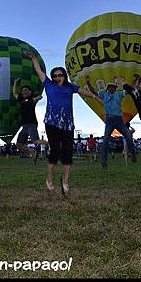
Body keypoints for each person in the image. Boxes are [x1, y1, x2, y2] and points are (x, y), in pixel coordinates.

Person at [23, 50, 102, 195]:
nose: (57, 77)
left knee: (67, 152)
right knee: (55, 151)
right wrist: (34, 58)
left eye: (60, 75)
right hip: (52, 123)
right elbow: (39, 71)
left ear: (64, 76)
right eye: (55, 75)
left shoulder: (70, 87)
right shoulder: (48, 84)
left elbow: (84, 92)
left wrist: (96, 98)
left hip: (68, 124)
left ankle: (65, 181)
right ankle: (49, 179)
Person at [98, 78, 136, 168]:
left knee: (129, 136)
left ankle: (133, 155)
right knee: (106, 140)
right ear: (107, 88)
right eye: (110, 87)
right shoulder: (104, 95)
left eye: (114, 87)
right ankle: (104, 160)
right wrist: (88, 83)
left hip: (119, 119)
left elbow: (128, 90)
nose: (112, 89)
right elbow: (94, 93)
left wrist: (135, 79)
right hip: (109, 119)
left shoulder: (118, 95)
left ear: (115, 89)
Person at [13, 78, 48, 165]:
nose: (24, 92)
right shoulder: (21, 99)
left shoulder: (31, 99)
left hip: (31, 124)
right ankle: (32, 151)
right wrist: (15, 84)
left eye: (26, 90)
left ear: (29, 91)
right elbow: (15, 93)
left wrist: (38, 98)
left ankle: (50, 144)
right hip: (24, 126)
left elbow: (37, 98)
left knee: (36, 141)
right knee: (19, 144)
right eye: (23, 91)